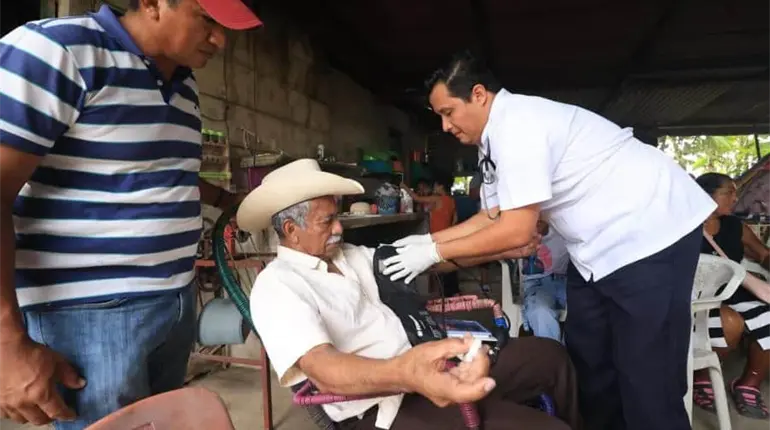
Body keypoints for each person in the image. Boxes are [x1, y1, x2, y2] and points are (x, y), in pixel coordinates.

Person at [382, 50, 717, 430]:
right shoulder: (491, 143)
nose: (444, 127)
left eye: (447, 112)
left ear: (478, 94)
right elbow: (491, 217)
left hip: (652, 234)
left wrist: (434, 251)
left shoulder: (520, 124)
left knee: (646, 377)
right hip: (595, 251)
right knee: (590, 364)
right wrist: (427, 245)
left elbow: (518, 231)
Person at [0, 1, 260, 428]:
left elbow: (164, 172)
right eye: (208, 21)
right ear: (153, 3)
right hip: (88, 317)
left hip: (174, 303)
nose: (221, 40)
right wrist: (7, 345)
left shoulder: (185, 84)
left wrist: (233, 200)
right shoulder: (58, 52)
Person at [237, 159, 581, 430]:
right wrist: (406, 373)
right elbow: (325, 369)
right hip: (384, 404)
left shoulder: (352, 256)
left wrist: (500, 249)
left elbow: (429, 262)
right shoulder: (277, 287)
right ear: (291, 231)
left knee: (551, 357)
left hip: (429, 364)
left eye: (337, 217)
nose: (339, 228)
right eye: (327, 222)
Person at [694, 173, 770, 419]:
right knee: (729, 323)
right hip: (698, 297)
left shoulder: (735, 226)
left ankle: (748, 383)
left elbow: (762, 253)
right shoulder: (685, 226)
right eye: (729, 192)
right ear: (706, 195)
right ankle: (702, 374)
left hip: (734, 290)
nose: (735, 199)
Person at [401, 176, 460, 296]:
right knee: (447, 266)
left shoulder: (437, 199)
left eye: (435, 186)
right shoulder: (451, 200)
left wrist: (404, 187)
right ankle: (452, 293)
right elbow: (455, 220)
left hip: (436, 237)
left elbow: (417, 198)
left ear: (441, 186)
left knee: (437, 266)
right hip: (448, 237)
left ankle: (441, 295)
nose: (434, 188)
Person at [520, 220, 568, 342]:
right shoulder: (520, 221)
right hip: (537, 282)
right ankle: (553, 359)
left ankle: (571, 359)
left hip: (569, 280)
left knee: (589, 310)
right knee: (541, 312)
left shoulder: (565, 220)